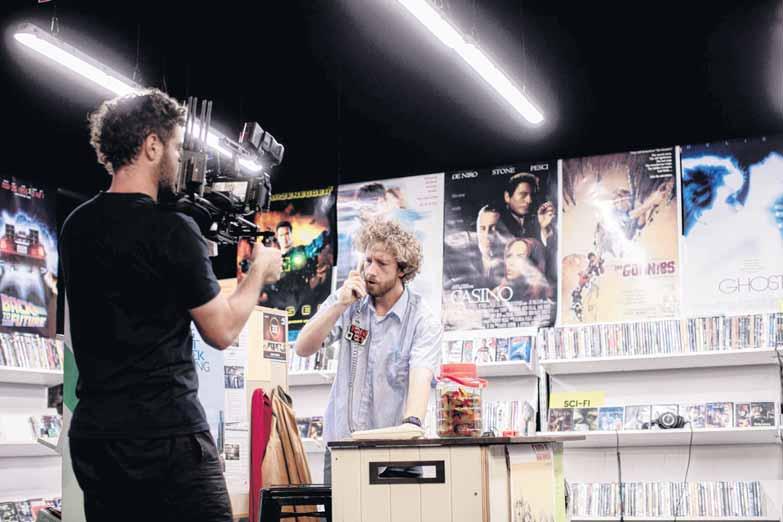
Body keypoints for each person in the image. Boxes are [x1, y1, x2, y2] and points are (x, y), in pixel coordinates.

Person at [59, 89, 283, 522]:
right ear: (152, 145)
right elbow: (222, 330)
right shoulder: (171, 231)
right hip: (166, 436)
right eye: (177, 147)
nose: (181, 160)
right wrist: (258, 272)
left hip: (97, 438)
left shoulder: (76, 226)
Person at [295, 218, 443, 483]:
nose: (370, 271)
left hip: (397, 453)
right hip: (342, 447)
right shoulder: (348, 300)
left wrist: (411, 425)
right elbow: (303, 347)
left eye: (382, 264)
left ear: (402, 270)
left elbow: (420, 379)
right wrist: (339, 305)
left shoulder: (423, 320)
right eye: (368, 261)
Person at [498, 172, 557, 282]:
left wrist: (544, 227)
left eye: (531, 195)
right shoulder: (496, 224)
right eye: (523, 195)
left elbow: (548, 261)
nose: (529, 200)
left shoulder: (536, 222)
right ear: (507, 196)